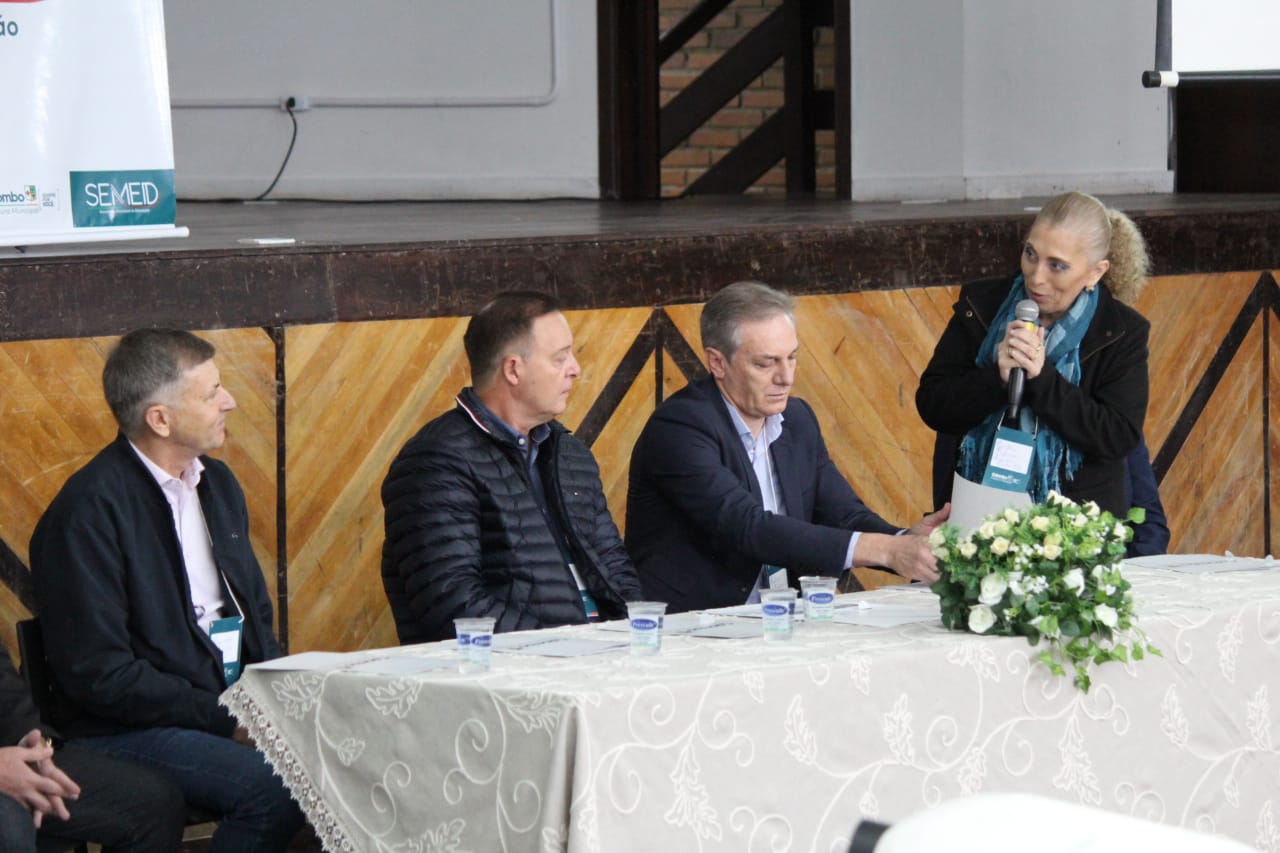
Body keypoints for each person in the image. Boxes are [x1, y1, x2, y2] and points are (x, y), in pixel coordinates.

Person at [29, 329, 306, 853]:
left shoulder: (217, 484)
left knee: (346, 758)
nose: (230, 401)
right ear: (161, 419)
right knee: (275, 788)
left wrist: (282, 700)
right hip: (126, 728)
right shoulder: (87, 513)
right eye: (212, 393)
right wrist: (230, 721)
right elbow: (101, 676)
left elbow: (254, 615)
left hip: (225, 706)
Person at [626, 281, 949, 614]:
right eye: (765, 364)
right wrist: (887, 550)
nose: (785, 378)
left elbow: (843, 514)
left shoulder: (797, 419)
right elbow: (748, 526)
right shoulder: (679, 427)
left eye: (791, 358)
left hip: (780, 617)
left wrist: (905, 539)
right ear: (717, 363)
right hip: (689, 623)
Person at [381, 291, 643, 644]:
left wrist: (630, 637)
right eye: (560, 358)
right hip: (507, 669)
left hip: (600, 655)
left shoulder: (571, 454)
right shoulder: (435, 462)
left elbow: (615, 567)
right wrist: (563, 647)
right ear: (513, 370)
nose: (575, 369)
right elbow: (453, 605)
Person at [917, 191, 1151, 517]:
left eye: (1057, 265)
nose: (1036, 277)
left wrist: (1042, 379)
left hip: (1073, 526)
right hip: (974, 510)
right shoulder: (981, 305)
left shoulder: (1121, 331)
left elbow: (1117, 436)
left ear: (1095, 273)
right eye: (1030, 254)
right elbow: (933, 404)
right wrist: (996, 378)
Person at [0, 645, 184, 852]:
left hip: (12, 751)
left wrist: (31, 741)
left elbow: (4, 685)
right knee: (10, 829)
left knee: (155, 804)